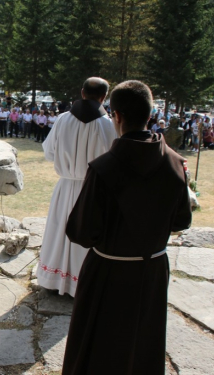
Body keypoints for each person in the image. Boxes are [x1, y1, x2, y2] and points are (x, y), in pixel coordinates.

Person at [62, 80, 192, 375]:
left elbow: (81, 232)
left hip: (108, 271)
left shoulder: (103, 168)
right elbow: (182, 221)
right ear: (150, 114)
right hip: (152, 269)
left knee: (98, 343)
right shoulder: (175, 163)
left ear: (116, 116)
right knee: (143, 339)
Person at [36, 77, 117, 297]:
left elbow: (49, 152)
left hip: (66, 186)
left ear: (82, 93)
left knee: (60, 231)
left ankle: (53, 280)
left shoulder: (63, 120)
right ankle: (81, 283)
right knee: (85, 234)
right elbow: (114, 159)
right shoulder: (108, 124)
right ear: (103, 97)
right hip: (93, 190)